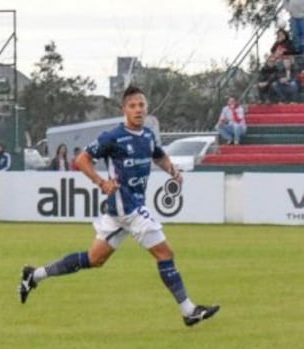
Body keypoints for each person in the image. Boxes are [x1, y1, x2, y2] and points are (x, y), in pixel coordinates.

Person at [18, 85, 220, 327]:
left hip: (121, 211)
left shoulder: (147, 136)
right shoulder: (112, 137)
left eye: (141, 105)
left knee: (94, 259)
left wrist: (173, 170)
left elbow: (159, 155)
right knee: (165, 254)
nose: (138, 110)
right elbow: (81, 160)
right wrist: (101, 182)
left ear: (147, 108)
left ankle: (34, 275)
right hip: (128, 208)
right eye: (132, 106)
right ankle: (189, 311)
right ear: (124, 109)